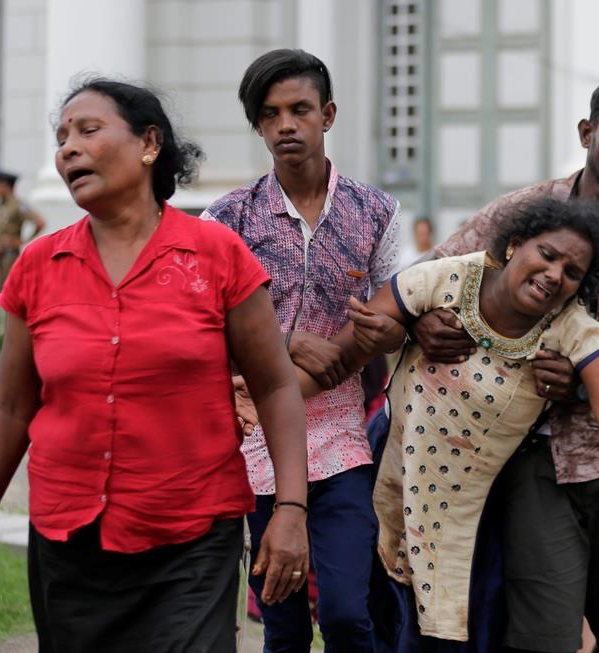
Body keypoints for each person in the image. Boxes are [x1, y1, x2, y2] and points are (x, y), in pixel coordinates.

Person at [238, 197, 599, 650]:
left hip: (467, 526)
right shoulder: (443, 280)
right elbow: (342, 360)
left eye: (573, 272)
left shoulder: (575, 333)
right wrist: (253, 397)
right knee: (358, 621)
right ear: (515, 244)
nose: (554, 275)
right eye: (547, 254)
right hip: (389, 492)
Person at [0, 79, 310, 652]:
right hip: (68, 543)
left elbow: (275, 385)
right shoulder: (38, 265)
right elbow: (11, 406)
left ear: (149, 144)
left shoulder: (216, 255)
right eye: (61, 137)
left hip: (191, 537)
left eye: (88, 131)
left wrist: (290, 507)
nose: (67, 148)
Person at [412, 76, 599, 653]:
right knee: (542, 635)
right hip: (526, 456)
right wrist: (424, 321)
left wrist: (587, 385)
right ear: (587, 132)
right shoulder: (527, 211)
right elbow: (433, 271)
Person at [202, 49, 402, 652]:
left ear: (328, 114)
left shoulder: (376, 211)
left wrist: (361, 340)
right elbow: (202, 321)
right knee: (282, 623)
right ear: (258, 126)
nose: (286, 124)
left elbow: (396, 314)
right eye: (270, 114)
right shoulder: (228, 218)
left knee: (347, 612)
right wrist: (283, 342)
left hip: (345, 440)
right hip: (256, 441)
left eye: (300, 109)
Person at [0, 169, 46, 366]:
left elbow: (39, 222)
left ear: (6, 186)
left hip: (9, 258)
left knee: (11, 305)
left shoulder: (18, 206)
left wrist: (22, 241)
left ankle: (9, 355)